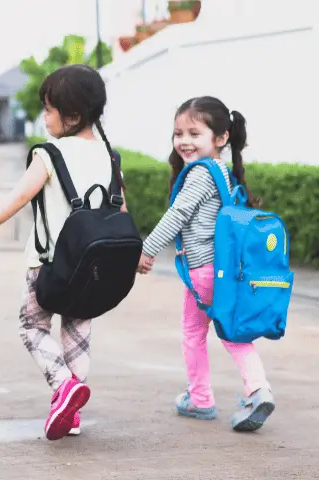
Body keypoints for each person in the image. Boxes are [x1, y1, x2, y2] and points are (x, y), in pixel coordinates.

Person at [0, 64, 124, 440]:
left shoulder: (49, 154)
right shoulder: (111, 157)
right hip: (93, 267)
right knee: (77, 333)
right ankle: (72, 412)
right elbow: (119, 212)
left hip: (48, 265)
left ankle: (64, 386)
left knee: (33, 327)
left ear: (72, 115)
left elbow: (16, 199)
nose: (44, 118)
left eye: (49, 109)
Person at [137, 96, 275, 431]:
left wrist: (147, 249)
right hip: (224, 271)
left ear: (221, 137)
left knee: (194, 333)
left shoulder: (200, 175)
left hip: (204, 271)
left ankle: (201, 398)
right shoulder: (223, 173)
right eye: (178, 133)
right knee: (234, 334)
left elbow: (178, 214)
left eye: (193, 133)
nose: (183, 141)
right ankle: (257, 390)